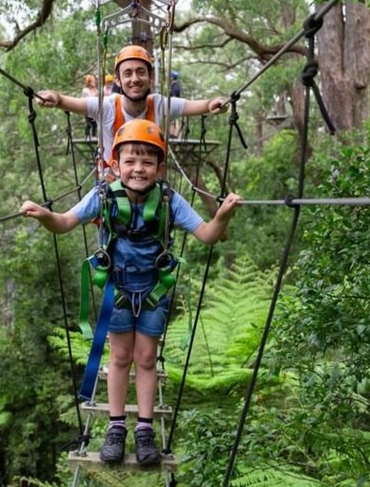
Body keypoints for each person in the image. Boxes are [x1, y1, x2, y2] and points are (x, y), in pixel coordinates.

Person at [20, 119, 241, 465]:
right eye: (130, 161)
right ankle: (116, 428)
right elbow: (63, 223)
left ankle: (144, 431)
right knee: (121, 357)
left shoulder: (169, 199)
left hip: (154, 288)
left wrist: (223, 215)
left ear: (160, 168)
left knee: (147, 358)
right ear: (115, 164)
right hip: (118, 288)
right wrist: (44, 215)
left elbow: (208, 235)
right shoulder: (103, 195)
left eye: (147, 162)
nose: (139, 168)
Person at [37, 45, 226, 163]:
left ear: (150, 77)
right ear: (118, 81)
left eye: (140, 72)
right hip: (111, 189)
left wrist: (215, 103)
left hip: (149, 188)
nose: (135, 79)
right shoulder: (107, 107)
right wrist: (54, 97)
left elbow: (201, 105)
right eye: (128, 73)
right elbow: (66, 101)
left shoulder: (160, 105)